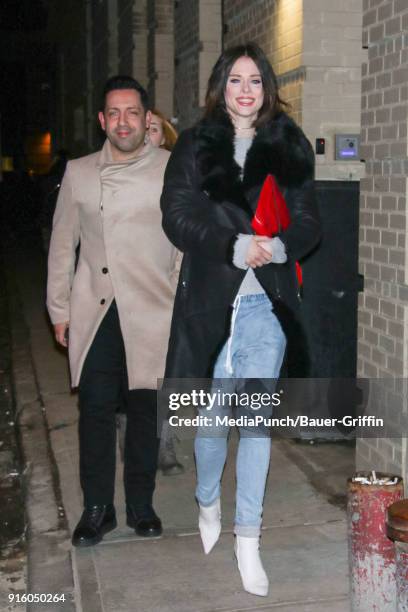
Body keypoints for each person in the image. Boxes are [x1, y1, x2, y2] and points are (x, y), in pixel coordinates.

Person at [161, 43, 321, 597]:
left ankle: (247, 539)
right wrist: (232, 245)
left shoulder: (287, 145)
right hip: (211, 305)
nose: (246, 89)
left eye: (255, 79)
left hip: (265, 309)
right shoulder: (196, 145)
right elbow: (177, 218)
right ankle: (209, 499)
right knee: (210, 426)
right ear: (220, 87)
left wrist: (276, 248)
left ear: (267, 88)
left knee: (254, 424)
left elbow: (308, 224)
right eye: (235, 80)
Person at [47, 75, 179, 547]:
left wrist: (179, 302)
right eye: (114, 113)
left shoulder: (171, 167)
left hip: (151, 308)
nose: (123, 121)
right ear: (103, 121)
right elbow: (63, 245)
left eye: (132, 112)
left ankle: (141, 504)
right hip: (97, 308)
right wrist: (59, 309)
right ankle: (97, 509)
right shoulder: (80, 172)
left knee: (145, 411)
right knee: (96, 411)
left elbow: (184, 241)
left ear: (148, 120)